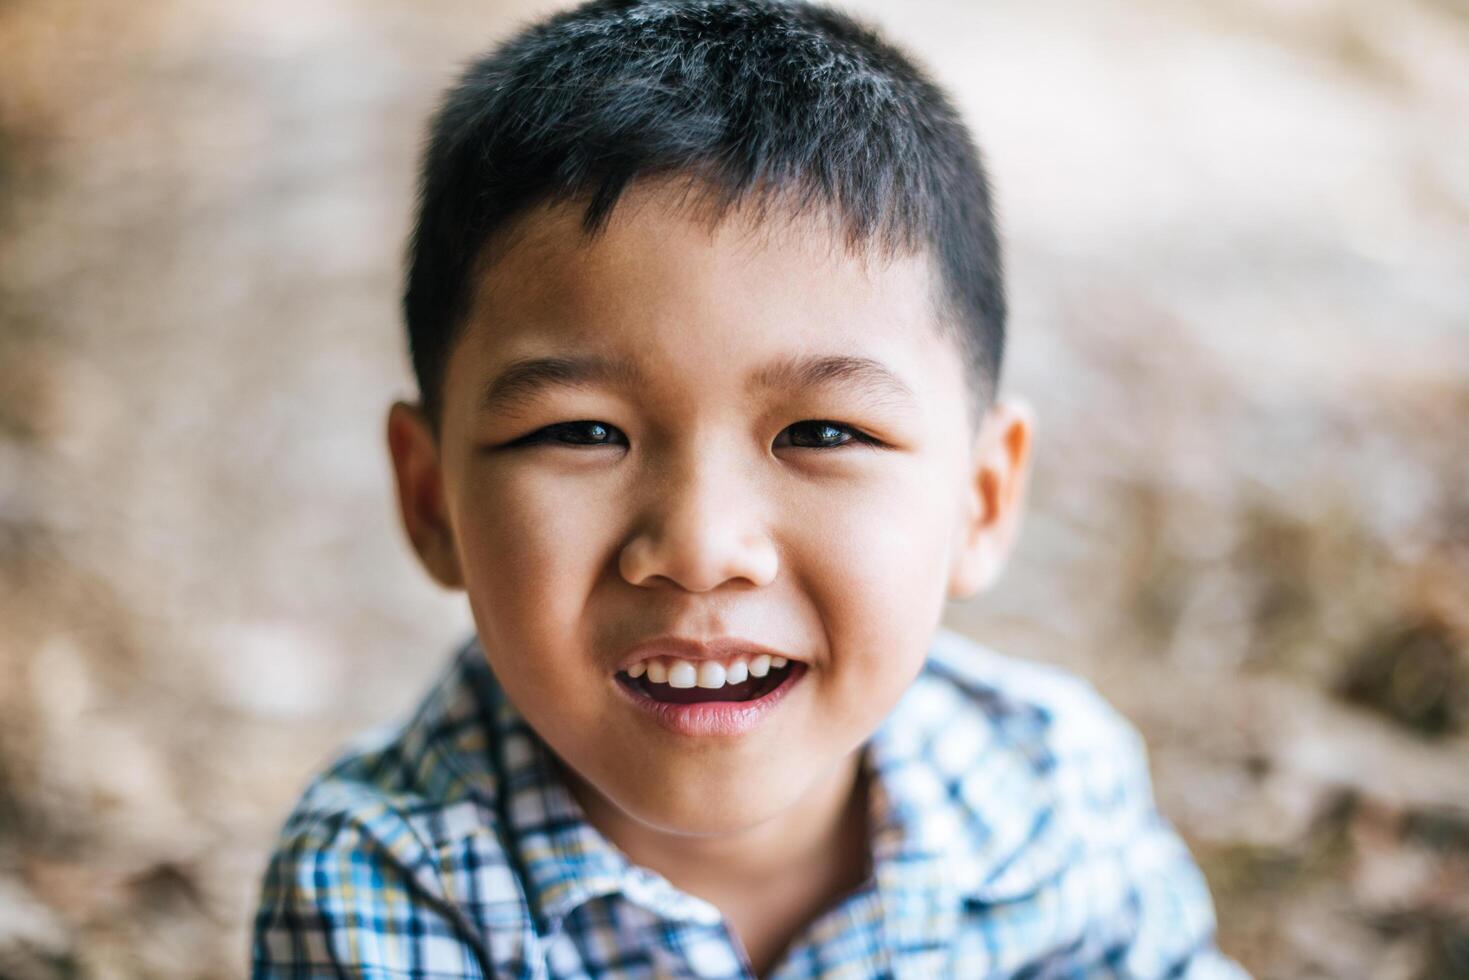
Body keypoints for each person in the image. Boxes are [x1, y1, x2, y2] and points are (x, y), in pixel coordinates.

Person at [251, 0, 1250, 976]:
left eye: (820, 432)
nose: (699, 544)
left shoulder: (1049, 788)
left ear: (980, 500)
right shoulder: (383, 885)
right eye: (582, 431)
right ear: (432, 501)